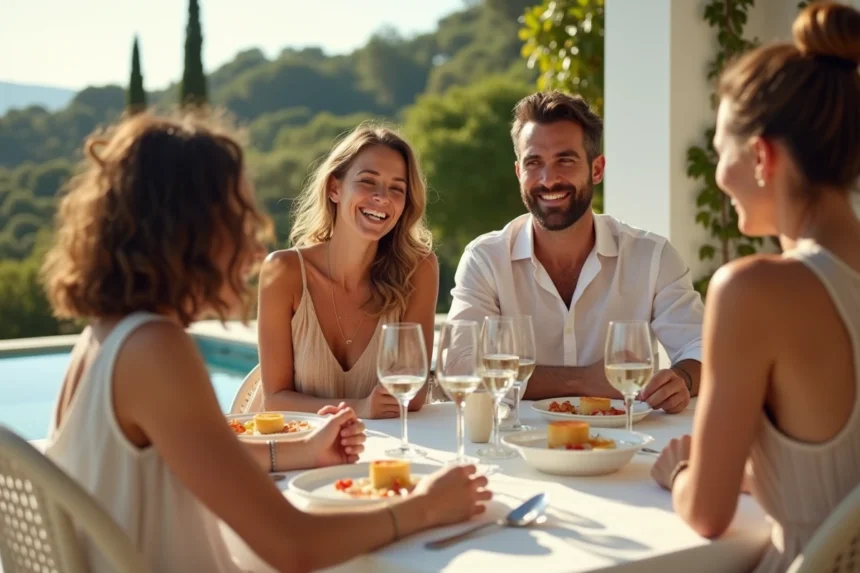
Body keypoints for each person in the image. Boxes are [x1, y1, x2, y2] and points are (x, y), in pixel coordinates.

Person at [41, 113, 490, 573]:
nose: (251, 238)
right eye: (236, 212)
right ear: (188, 223)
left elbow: (203, 453)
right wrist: (428, 507)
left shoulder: (105, 337)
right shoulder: (155, 351)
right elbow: (295, 546)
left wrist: (301, 450)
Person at [651, 2, 860, 570]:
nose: (719, 176)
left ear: (763, 156)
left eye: (721, 151)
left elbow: (707, 514)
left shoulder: (755, 290)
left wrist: (683, 471)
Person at [447, 91, 704, 413]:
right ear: (518, 173)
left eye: (565, 161)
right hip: (515, 444)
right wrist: (583, 380)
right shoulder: (486, 259)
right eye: (534, 163)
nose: (548, 179)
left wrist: (684, 379)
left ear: (597, 169)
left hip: (626, 446)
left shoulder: (652, 257)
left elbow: (701, 347)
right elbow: (460, 367)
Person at [255, 123, 438, 419]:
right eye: (368, 181)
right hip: (296, 448)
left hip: (384, 451)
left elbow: (412, 394)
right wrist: (359, 408)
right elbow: (274, 400)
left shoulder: (418, 269)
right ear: (334, 188)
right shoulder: (284, 271)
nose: (382, 197)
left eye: (397, 188)